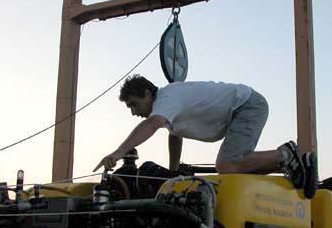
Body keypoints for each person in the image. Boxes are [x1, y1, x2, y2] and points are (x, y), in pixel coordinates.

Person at [94, 75, 315, 192]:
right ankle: (293, 165)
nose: (134, 112)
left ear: (147, 93)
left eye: (134, 104)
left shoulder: (167, 98)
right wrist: (173, 170)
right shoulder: (169, 109)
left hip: (247, 105)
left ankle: (284, 154)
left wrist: (117, 153)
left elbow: (151, 125)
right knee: (233, 172)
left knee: (227, 165)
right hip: (240, 109)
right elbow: (175, 134)